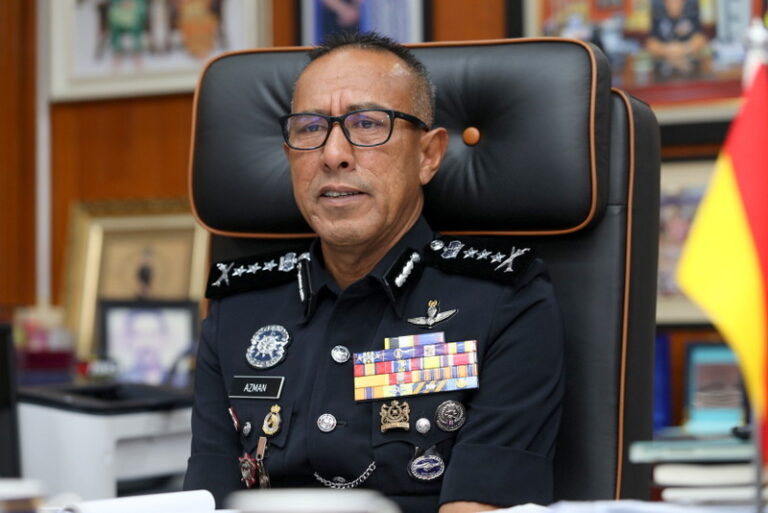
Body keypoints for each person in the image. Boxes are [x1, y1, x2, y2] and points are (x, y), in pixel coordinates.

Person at [183, 32, 564, 513]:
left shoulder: (503, 300)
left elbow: (480, 504)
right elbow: (207, 500)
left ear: (428, 155)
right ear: (289, 157)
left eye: (366, 124)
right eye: (310, 128)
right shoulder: (238, 309)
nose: (333, 154)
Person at [645, 0, 708, 80]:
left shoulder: (691, 15)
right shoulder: (658, 16)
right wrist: (668, 50)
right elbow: (651, 44)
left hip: (689, 70)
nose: (674, 5)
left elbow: (700, 40)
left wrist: (684, 49)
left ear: (684, 2)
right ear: (665, 3)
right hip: (663, 72)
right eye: (671, 2)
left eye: (677, 2)